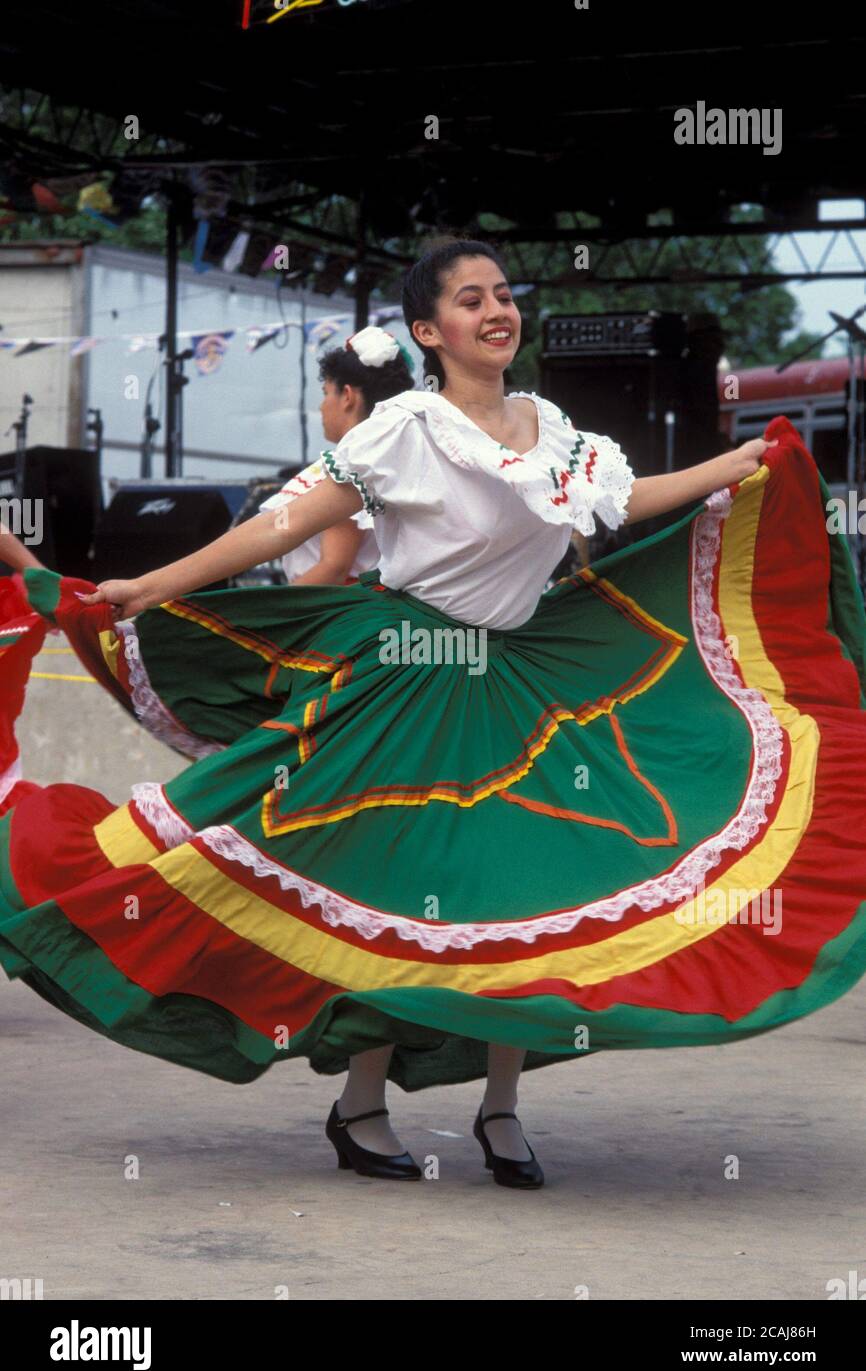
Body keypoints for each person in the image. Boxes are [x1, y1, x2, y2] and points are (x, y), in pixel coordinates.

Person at [3, 239, 865, 1192]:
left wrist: (740, 462)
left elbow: (624, 505)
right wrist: (152, 583)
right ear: (430, 331)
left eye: (503, 293)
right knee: (394, 883)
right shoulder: (405, 426)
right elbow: (285, 525)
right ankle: (362, 1103)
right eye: (470, 299)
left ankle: (500, 1109)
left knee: (519, 888)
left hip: (518, 686)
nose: (497, 309)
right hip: (402, 682)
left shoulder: (557, 432)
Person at [260, 331, 413, 586]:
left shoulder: (354, 465)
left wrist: (276, 613)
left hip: (336, 608)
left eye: (326, 392)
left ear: (347, 396)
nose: (321, 406)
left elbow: (334, 567)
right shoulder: (386, 457)